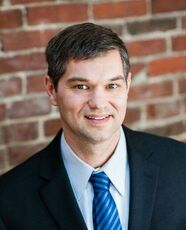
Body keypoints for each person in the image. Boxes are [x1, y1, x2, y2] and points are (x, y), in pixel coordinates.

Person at [0, 22, 186, 230]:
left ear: (127, 86)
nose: (99, 103)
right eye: (81, 86)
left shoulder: (181, 165)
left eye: (112, 86)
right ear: (52, 90)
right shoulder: (8, 200)